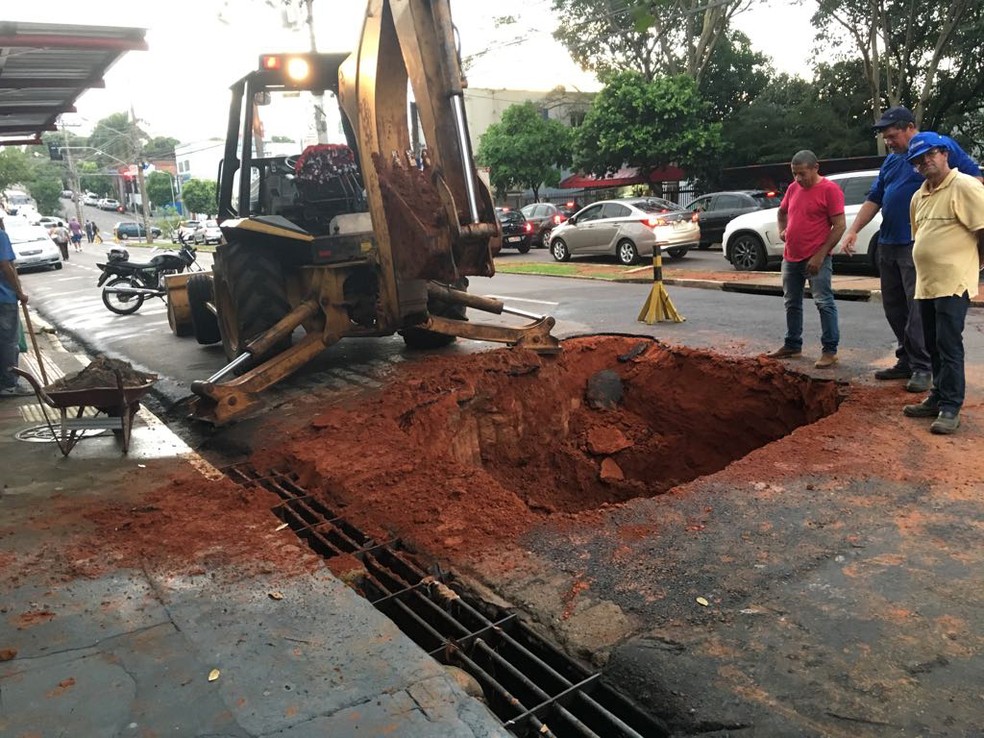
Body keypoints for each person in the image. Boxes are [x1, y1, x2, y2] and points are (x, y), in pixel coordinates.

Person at [841, 106, 981, 392]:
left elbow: (974, 181)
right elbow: (875, 197)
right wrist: (853, 230)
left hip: (915, 245)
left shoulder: (939, 147)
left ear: (909, 128)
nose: (888, 142)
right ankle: (907, 358)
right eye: (885, 138)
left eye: (892, 136)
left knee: (918, 311)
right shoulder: (892, 161)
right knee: (894, 307)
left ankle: (922, 367)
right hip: (888, 242)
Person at [901, 132, 984, 434]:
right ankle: (937, 396)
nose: (925, 162)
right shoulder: (919, 196)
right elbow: (919, 237)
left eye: (930, 154)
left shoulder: (965, 186)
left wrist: (977, 264)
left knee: (949, 344)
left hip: (953, 281)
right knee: (933, 344)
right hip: (927, 283)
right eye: (918, 159)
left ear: (945, 153)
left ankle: (951, 406)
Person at [765, 150, 846, 368]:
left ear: (815, 168)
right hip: (791, 256)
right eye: (795, 174)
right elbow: (782, 212)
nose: (798, 178)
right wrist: (782, 230)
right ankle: (792, 344)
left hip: (816, 257)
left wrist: (820, 255)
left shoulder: (830, 190)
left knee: (823, 302)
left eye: (802, 173)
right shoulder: (793, 188)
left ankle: (830, 350)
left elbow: (839, 226)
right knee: (791, 302)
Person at [0, 216, 31, 396]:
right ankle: (9, 384)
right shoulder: (1, 236)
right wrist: (19, 292)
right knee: (8, 342)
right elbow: (5, 265)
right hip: (4, 299)